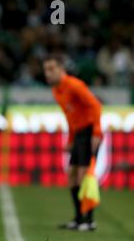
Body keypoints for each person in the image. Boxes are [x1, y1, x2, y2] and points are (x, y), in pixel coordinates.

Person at [43, 54, 102, 231]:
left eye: (51, 69)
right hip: (78, 135)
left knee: (84, 174)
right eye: (46, 70)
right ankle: (78, 218)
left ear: (62, 70)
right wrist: (70, 139)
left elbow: (95, 105)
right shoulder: (57, 90)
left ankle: (89, 220)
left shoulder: (74, 85)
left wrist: (97, 132)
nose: (48, 73)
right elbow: (70, 116)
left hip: (89, 131)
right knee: (71, 174)